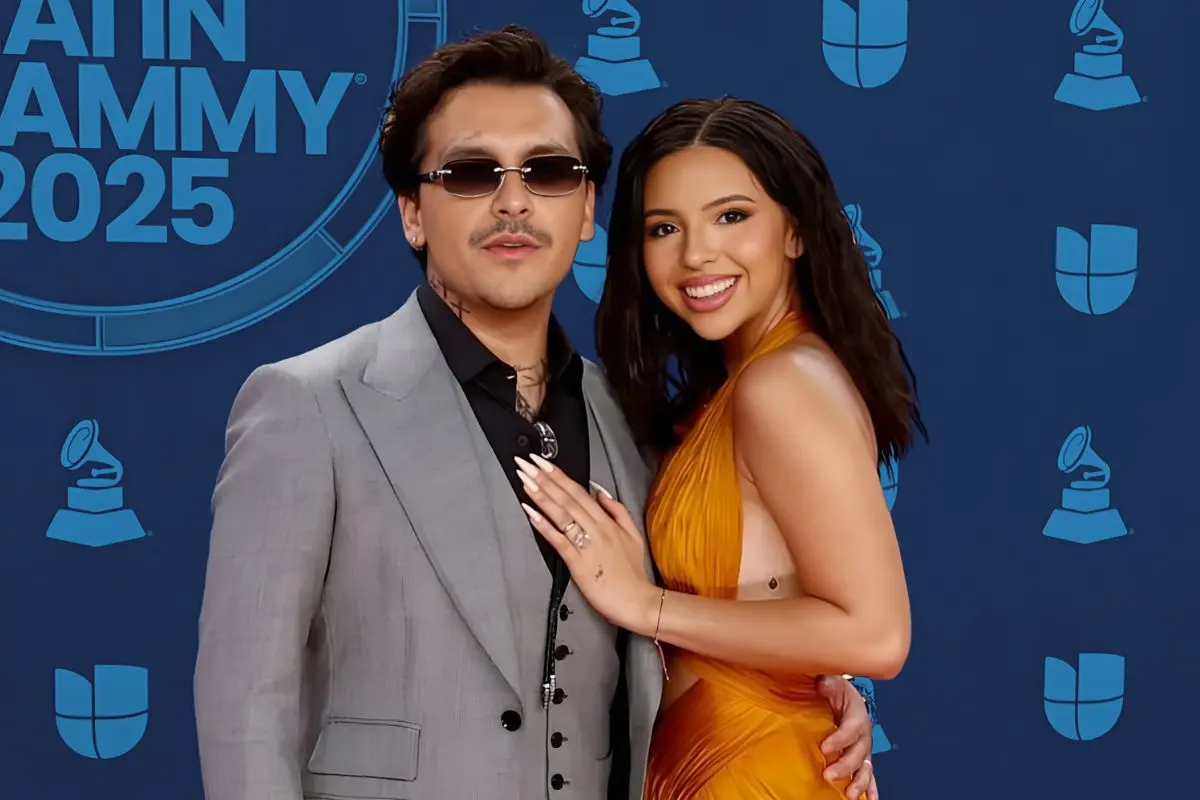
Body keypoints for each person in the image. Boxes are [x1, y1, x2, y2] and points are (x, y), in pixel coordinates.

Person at [193, 27, 879, 800]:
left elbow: (700, 620)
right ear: (412, 212)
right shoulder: (305, 405)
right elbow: (246, 705)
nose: (513, 200)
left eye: (547, 171)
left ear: (587, 209)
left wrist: (810, 685)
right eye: (471, 172)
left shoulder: (635, 417)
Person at [517, 96, 924, 799]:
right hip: (720, 753)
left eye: (732, 216)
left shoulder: (782, 384)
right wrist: (817, 674)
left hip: (755, 767)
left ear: (794, 230)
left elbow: (876, 634)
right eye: (664, 227)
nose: (696, 253)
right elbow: (794, 602)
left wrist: (644, 605)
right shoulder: (742, 385)